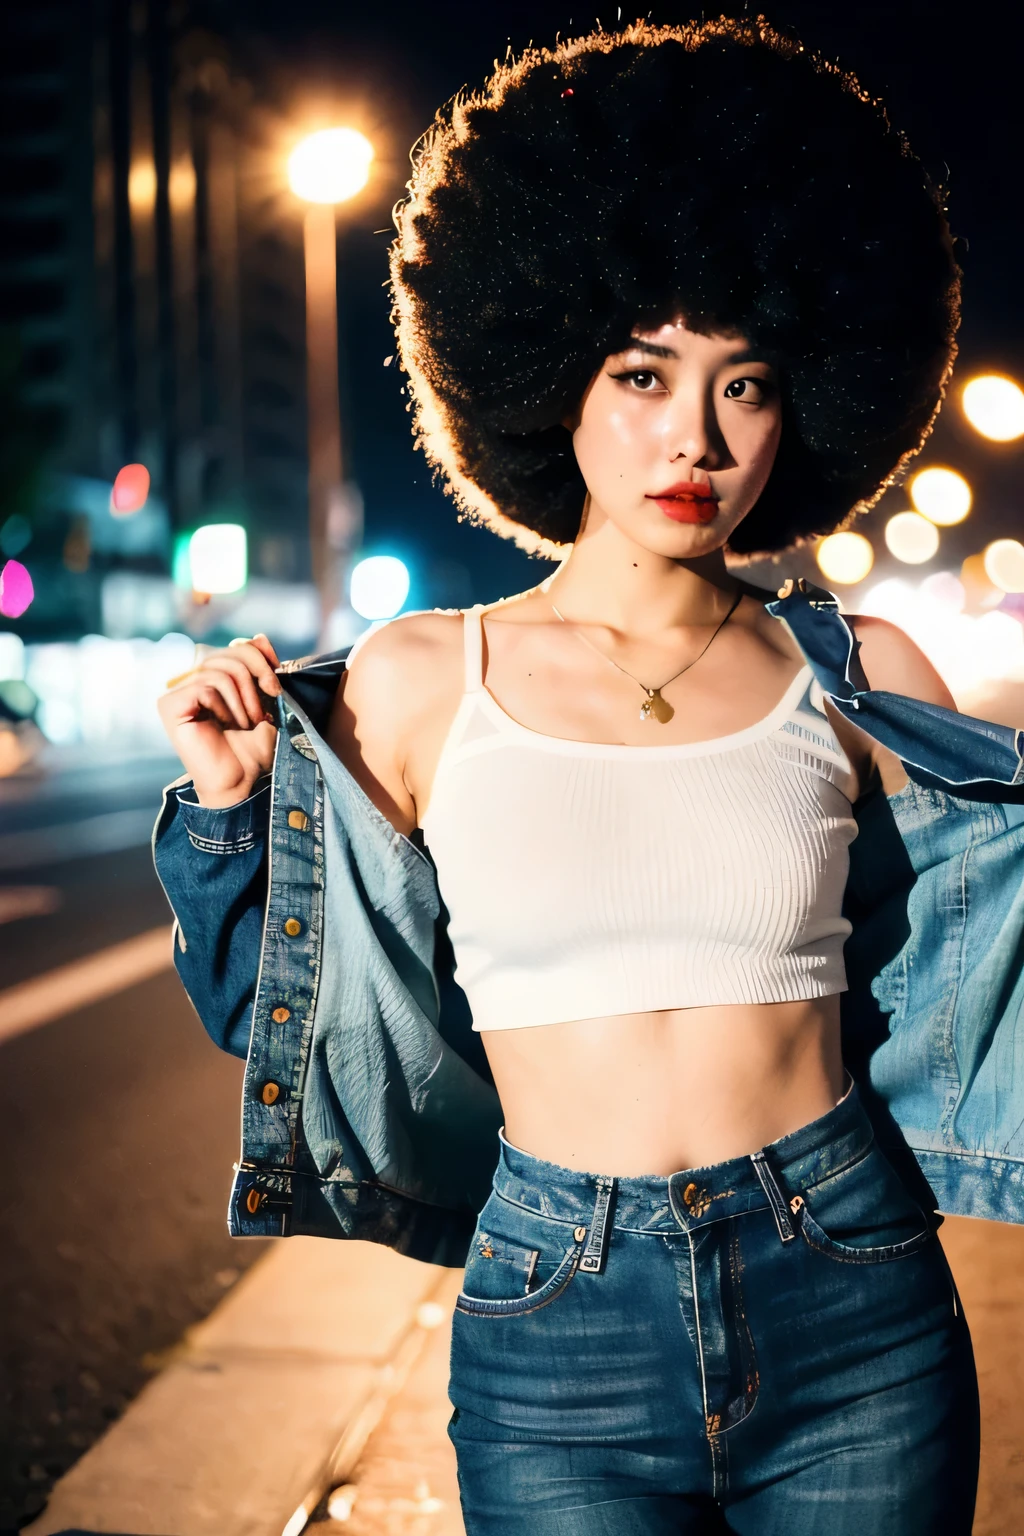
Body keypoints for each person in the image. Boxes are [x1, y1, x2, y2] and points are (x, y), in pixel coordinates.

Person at [155, 18, 1024, 1533]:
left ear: (809, 401)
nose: (694, 437)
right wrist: (232, 813)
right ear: (549, 371)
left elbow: (959, 972)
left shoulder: (864, 674)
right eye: (643, 373)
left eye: (746, 385)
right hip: (556, 1312)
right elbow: (296, 1023)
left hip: (854, 1287)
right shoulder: (423, 681)